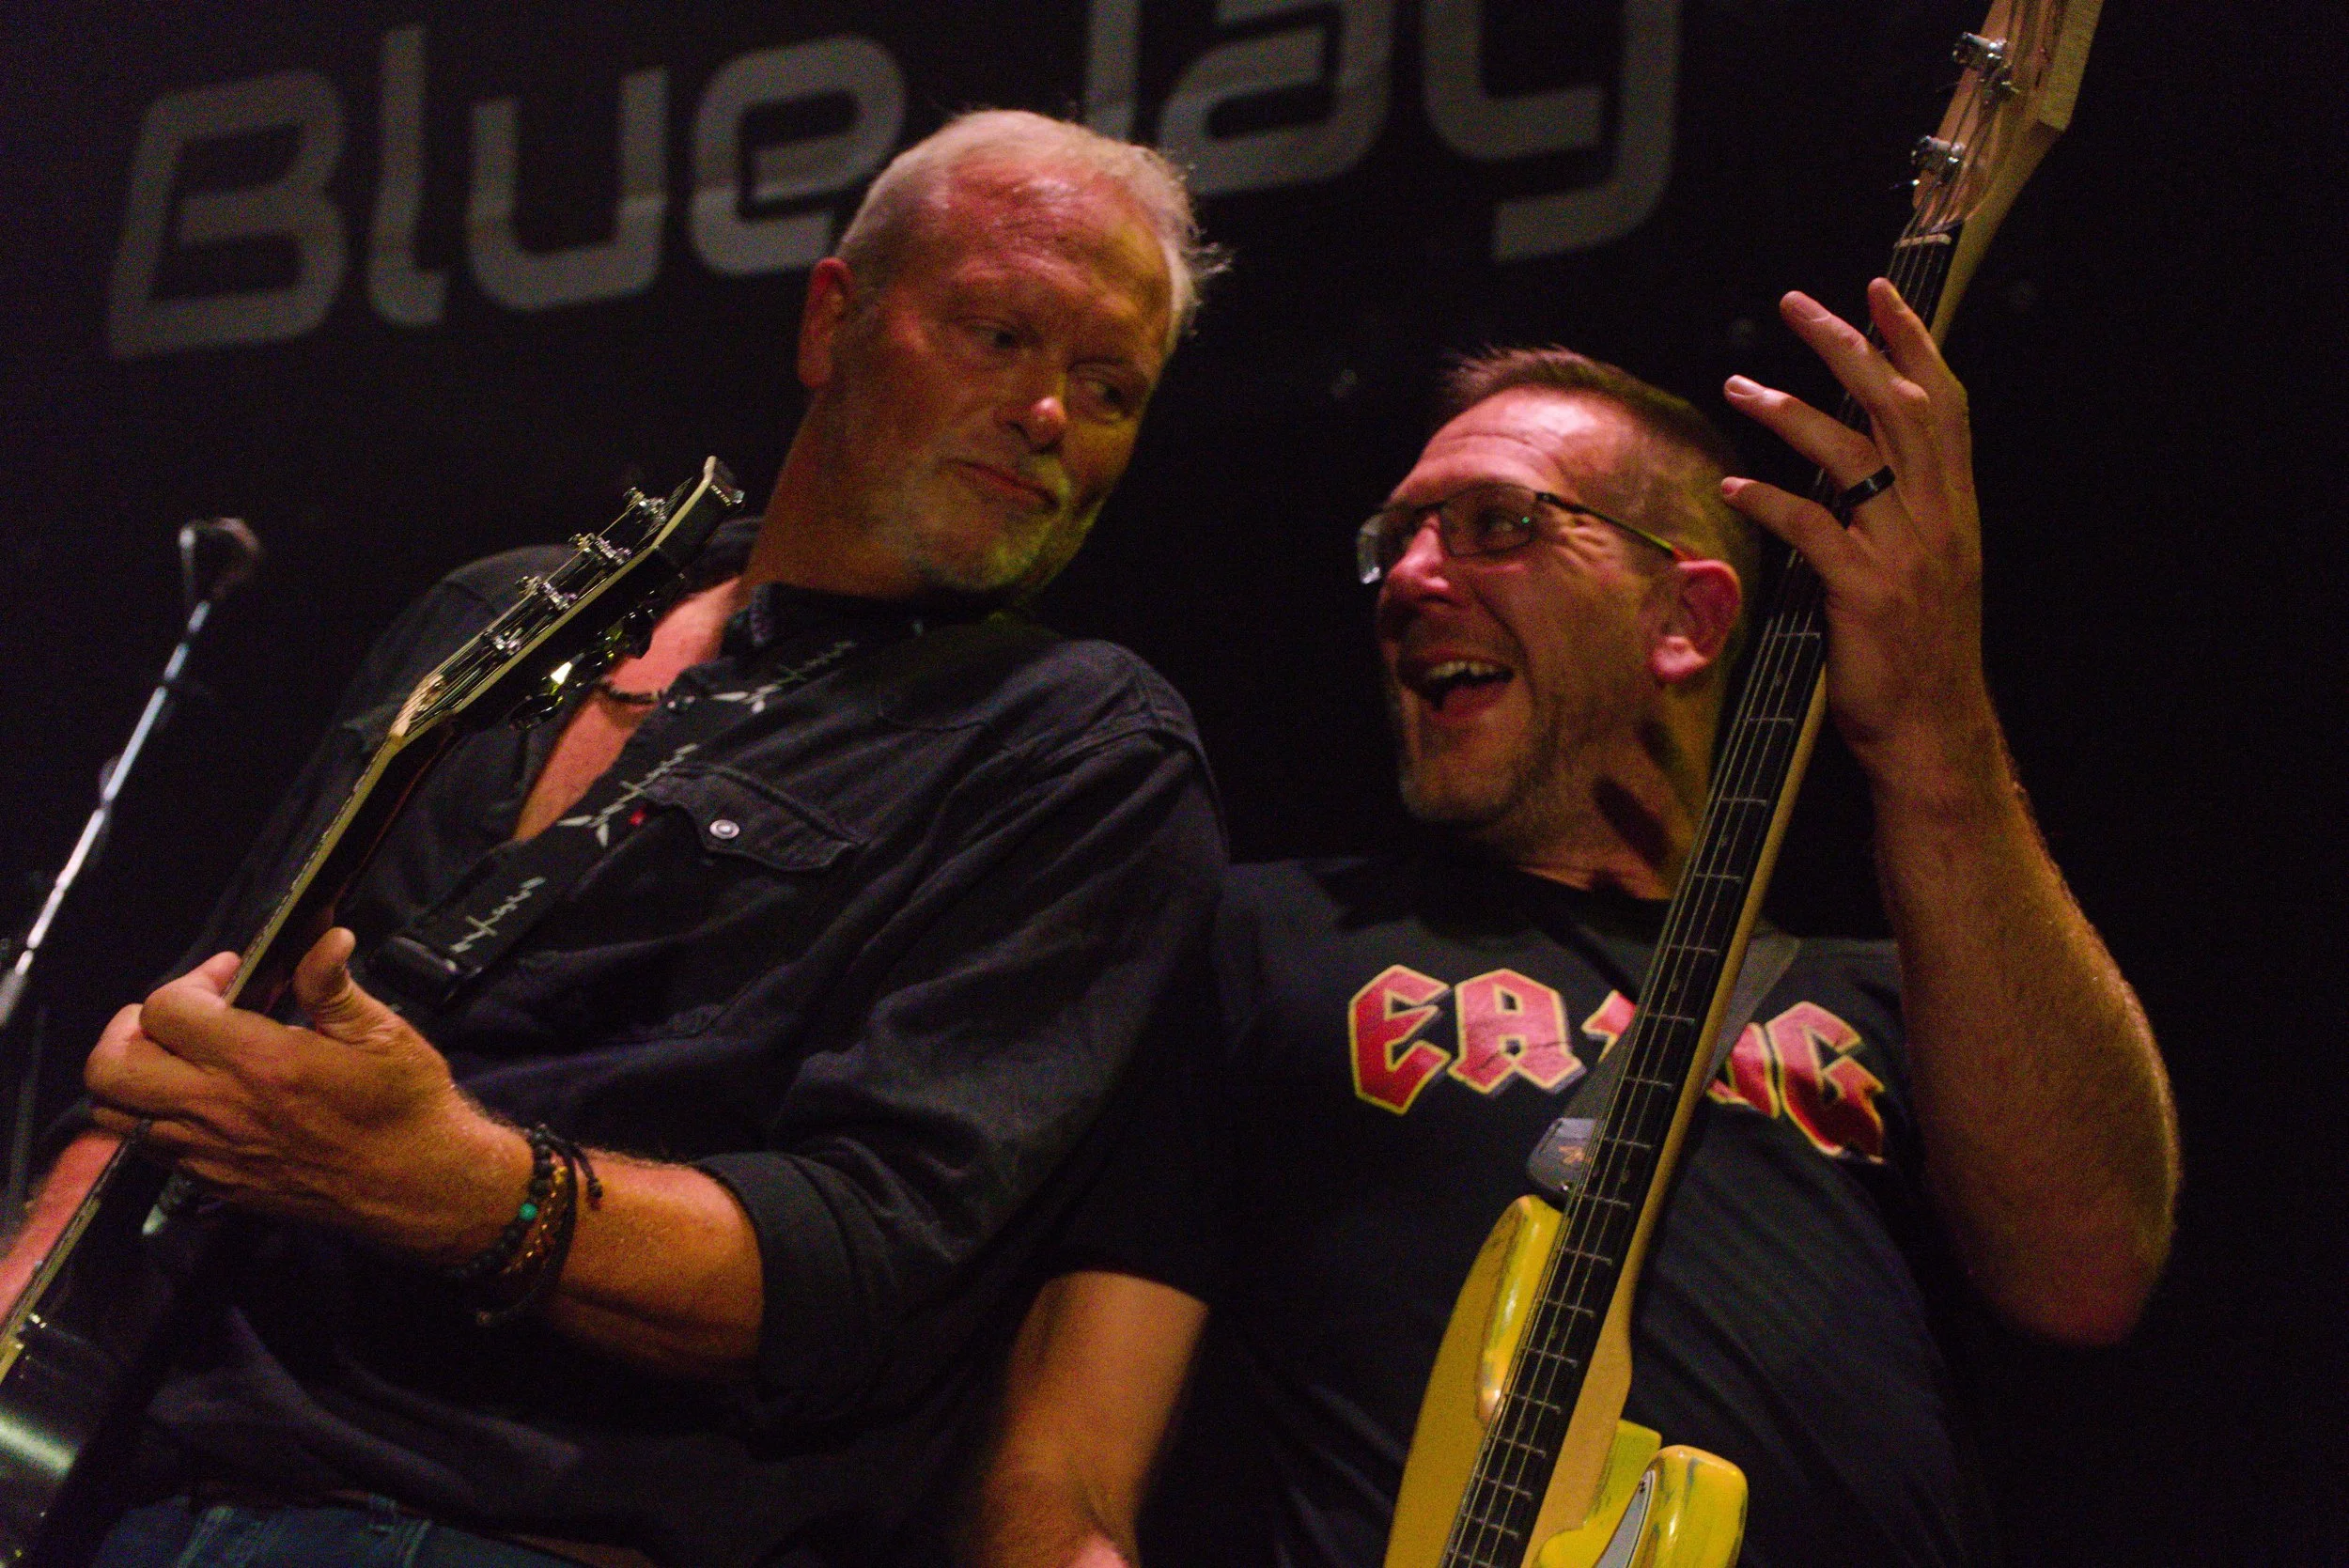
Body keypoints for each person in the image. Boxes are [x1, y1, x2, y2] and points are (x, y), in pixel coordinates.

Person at [3, 109, 1229, 1568]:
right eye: (999, 336)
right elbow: (195, 1040)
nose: (1048, 419)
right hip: (131, 1487)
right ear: (833, 321)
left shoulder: (1081, 746)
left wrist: (453, 1183)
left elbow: (866, 1273)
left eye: (1109, 388)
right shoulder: (501, 615)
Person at [967, 283, 2180, 1568]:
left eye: (1501, 526)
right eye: (1401, 538)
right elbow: (1063, 1467)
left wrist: (1933, 721)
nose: (1415, 580)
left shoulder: (1905, 1002)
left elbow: (2090, 1269)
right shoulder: (1268, 942)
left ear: (1688, 619)